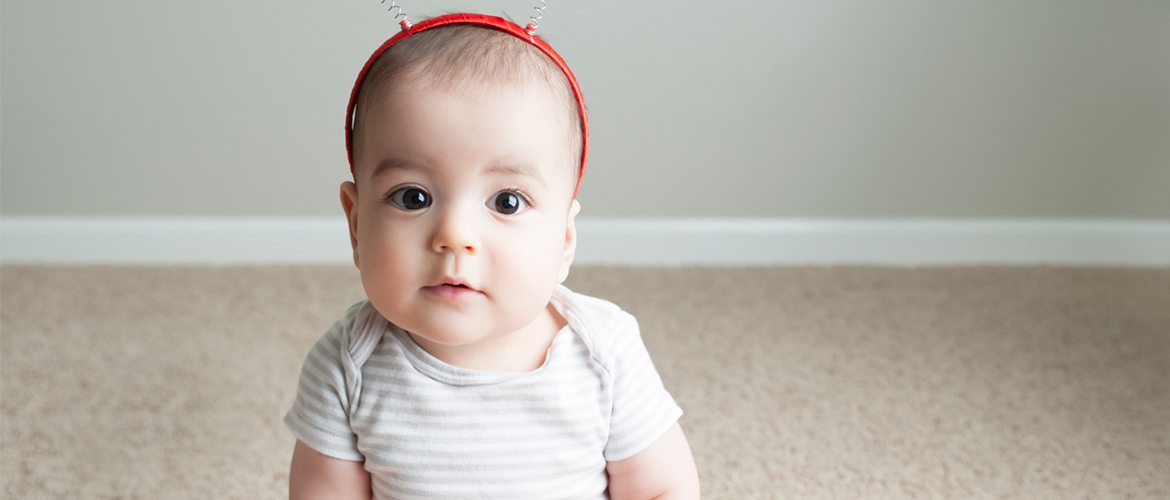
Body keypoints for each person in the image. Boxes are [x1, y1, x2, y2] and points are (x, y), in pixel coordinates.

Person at [284, 14, 700, 499]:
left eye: (507, 201)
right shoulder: (347, 365)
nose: (454, 236)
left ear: (564, 239)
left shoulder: (603, 353)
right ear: (357, 225)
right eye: (412, 197)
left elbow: (661, 489)